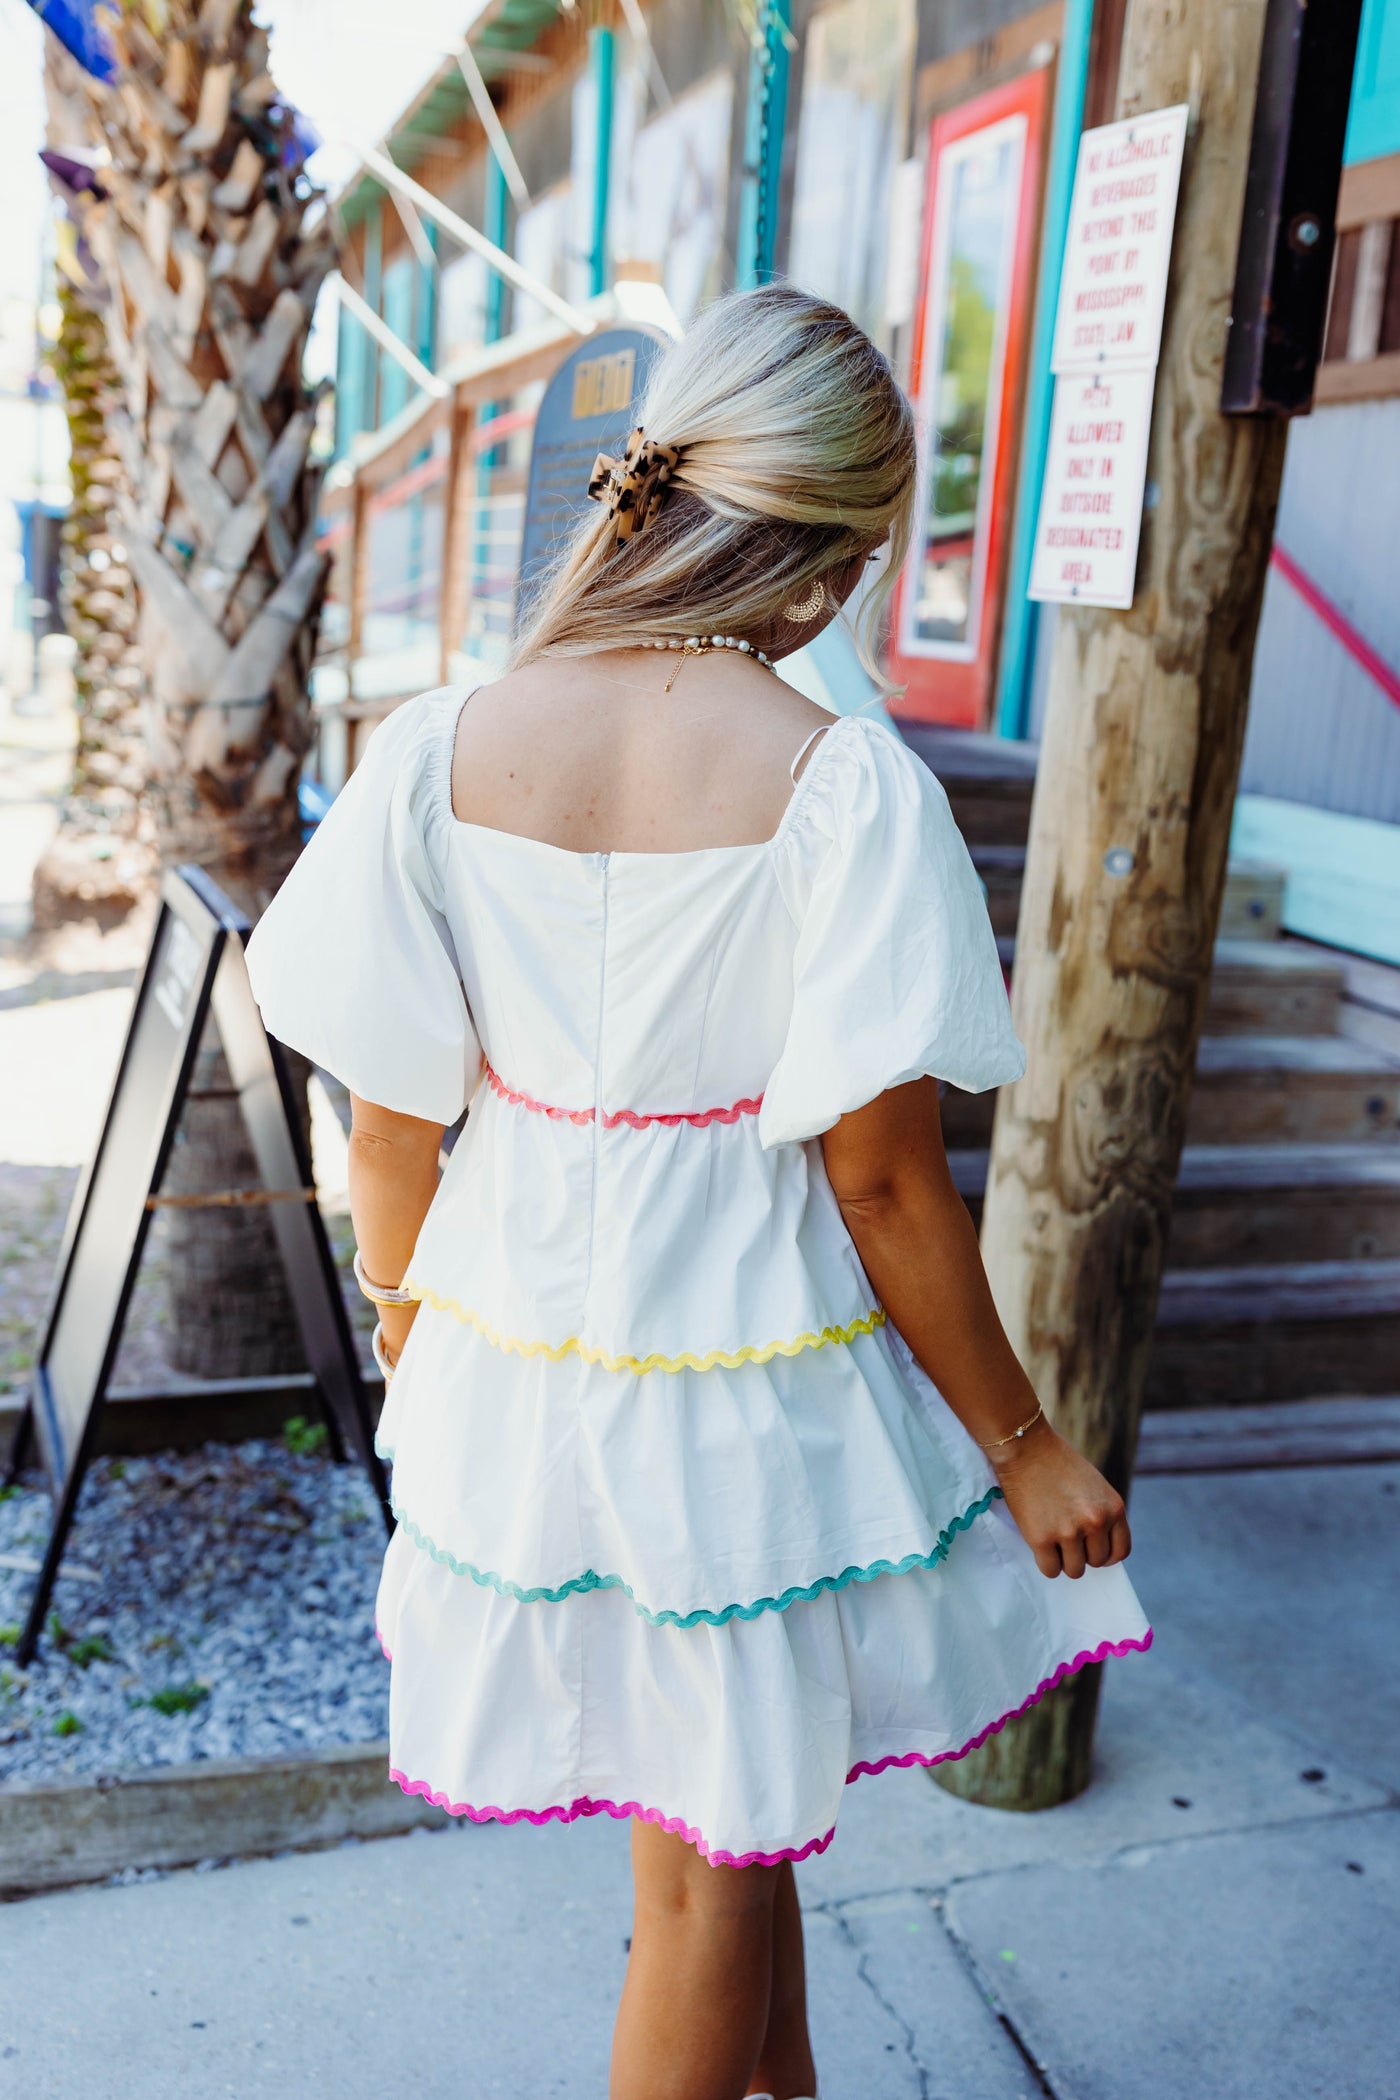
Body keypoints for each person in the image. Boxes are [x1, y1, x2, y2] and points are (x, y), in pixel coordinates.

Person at [247, 285, 1151, 2100]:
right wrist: (1022, 1438)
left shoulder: (441, 746)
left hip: (517, 1379)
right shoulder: (840, 790)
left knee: (728, 1825)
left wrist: (408, 1310)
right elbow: (888, 1184)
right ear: (826, 561)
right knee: (701, 1885)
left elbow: (392, 1119)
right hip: (727, 1395)